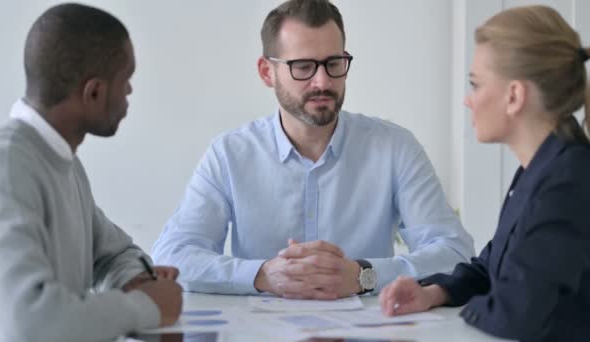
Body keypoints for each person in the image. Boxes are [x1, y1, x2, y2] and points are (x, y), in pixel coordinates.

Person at [152, 0, 473, 300]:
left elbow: (455, 253)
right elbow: (172, 256)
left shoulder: (394, 148)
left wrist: (364, 275)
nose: (322, 82)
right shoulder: (230, 154)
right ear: (267, 72)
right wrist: (261, 275)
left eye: (333, 63)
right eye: (303, 66)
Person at [379, 5, 590, 341]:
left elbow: (518, 313)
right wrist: (435, 293)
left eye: (476, 85)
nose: (468, 100)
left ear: (514, 96)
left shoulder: (570, 180)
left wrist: (469, 311)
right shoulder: (542, 169)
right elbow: (491, 268)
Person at [0, 4, 183, 342]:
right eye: (126, 80)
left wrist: (134, 279)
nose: (130, 92)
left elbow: (116, 253)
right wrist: (144, 306)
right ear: (94, 92)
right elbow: (30, 324)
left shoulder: (64, 162)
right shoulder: (4, 166)